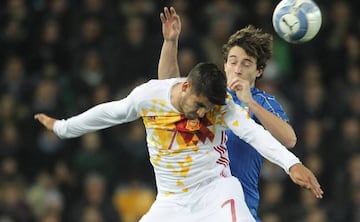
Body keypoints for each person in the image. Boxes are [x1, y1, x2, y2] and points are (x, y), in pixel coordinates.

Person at [158, 6, 315, 221]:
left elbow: (289, 139)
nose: (238, 68)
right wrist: (170, 42)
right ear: (225, 65)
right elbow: (167, 88)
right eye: (233, 61)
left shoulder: (263, 102)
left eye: (246, 63)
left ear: (259, 71)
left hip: (239, 207)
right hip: (195, 205)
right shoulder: (207, 94)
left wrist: (250, 102)